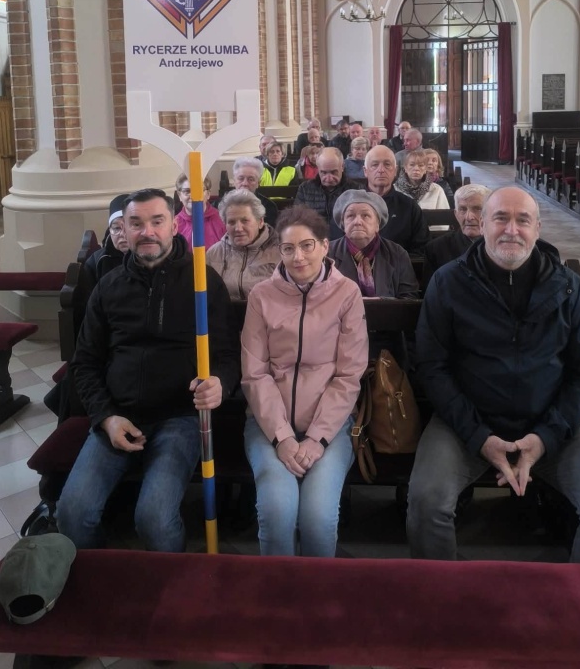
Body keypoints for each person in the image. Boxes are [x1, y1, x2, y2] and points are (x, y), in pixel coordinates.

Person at [406, 185, 580, 606]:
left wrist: (546, 437)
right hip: (465, 424)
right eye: (500, 218)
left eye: (522, 220)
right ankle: (439, 609)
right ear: (482, 225)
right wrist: (478, 436)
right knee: (426, 500)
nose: (511, 229)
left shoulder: (566, 287)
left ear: (537, 228)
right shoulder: (448, 281)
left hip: (548, 423)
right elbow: (432, 367)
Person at [56, 188, 240, 551]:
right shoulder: (108, 287)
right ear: (123, 229)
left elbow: (228, 355)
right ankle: (104, 573)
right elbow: (85, 362)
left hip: (180, 418)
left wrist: (221, 382)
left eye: (157, 221)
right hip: (118, 414)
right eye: (136, 223)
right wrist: (106, 417)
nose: (147, 232)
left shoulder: (203, 282)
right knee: (72, 513)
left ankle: (170, 579)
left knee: (153, 518)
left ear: (174, 225)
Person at [241, 205, 368, 556]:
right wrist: (282, 437)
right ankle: (279, 589)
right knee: (277, 512)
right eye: (288, 248)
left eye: (307, 245)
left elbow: (349, 374)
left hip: (329, 427)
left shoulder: (347, 294)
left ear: (325, 246)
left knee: (318, 518)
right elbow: (255, 373)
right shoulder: (261, 296)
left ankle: (315, 589)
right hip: (268, 425)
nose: (298, 257)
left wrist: (316, 438)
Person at [328, 190, 419, 299]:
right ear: (343, 223)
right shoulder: (327, 252)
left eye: (365, 215)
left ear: (377, 224)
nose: (357, 222)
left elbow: (409, 297)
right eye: (350, 215)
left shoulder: (397, 253)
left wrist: (382, 302)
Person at [207, 190, 281, 300]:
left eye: (245, 221)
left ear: (260, 222)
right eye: (231, 222)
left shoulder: (280, 252)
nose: (238, 228)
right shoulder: (213, 254)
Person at [362, 145, 429, 253]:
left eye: (387, 164)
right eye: (375, 165)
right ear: (365, 171)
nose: (381, 170)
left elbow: (421, 247)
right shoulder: (352, 205)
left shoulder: (409, 206)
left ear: (395, 171)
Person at [422, 183, 490, 288]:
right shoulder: (436, 249)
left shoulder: (502, 246)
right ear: (456, 214)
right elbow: (430, 292)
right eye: (462, 209)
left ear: (491, 213)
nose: (469, 217)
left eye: (477, 209)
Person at [295, 146, 362, 222]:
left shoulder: (356, 189)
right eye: (324, 173)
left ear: (342, 167)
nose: (329, 178)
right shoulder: (305, 189)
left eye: (334, 172)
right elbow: (297, 218)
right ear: (318, 168)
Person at [83, 194, 130, 286]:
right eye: (117, 228)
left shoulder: (149, 257)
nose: (123, 234)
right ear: (110, 230)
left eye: (128, 227)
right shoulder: (96, 261)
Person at [175, 173, 225, 249]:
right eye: (187, 191)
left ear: (208, 194)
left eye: (198, 190)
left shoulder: (222, 220)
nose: (193, 196)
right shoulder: (174, 224)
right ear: (179, 196)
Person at [396, 150, 450, 216]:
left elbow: (444, 218)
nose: (416, 168)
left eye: (420, 165)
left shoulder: (436, 190)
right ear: (405, 168)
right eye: (412, 165)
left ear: (425, 169)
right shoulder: (395, 189)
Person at [232, 157, 278, 228]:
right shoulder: (219, 205)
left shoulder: (269, 207)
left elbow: (269, 233)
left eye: (251, 179)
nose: (245, 183)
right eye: (241, 178)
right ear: (234, 181)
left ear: (258, 183)